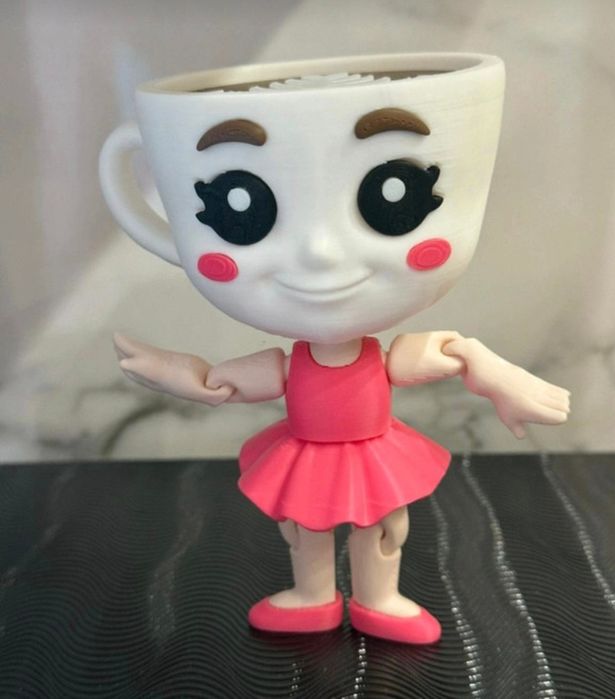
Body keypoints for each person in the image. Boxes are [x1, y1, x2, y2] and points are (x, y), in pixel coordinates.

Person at [107, 69, 570, 644]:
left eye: (392, 193)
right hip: (307, 454)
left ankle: (379, 600)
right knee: (304, 529)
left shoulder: (386, 358)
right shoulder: (288, 366)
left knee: (385, 527)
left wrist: (502, 379)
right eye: (240, 207)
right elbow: (217, 384)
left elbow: (454, 352)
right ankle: (313, 597)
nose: (321, 254)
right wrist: (171, 372)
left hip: (375, 451)